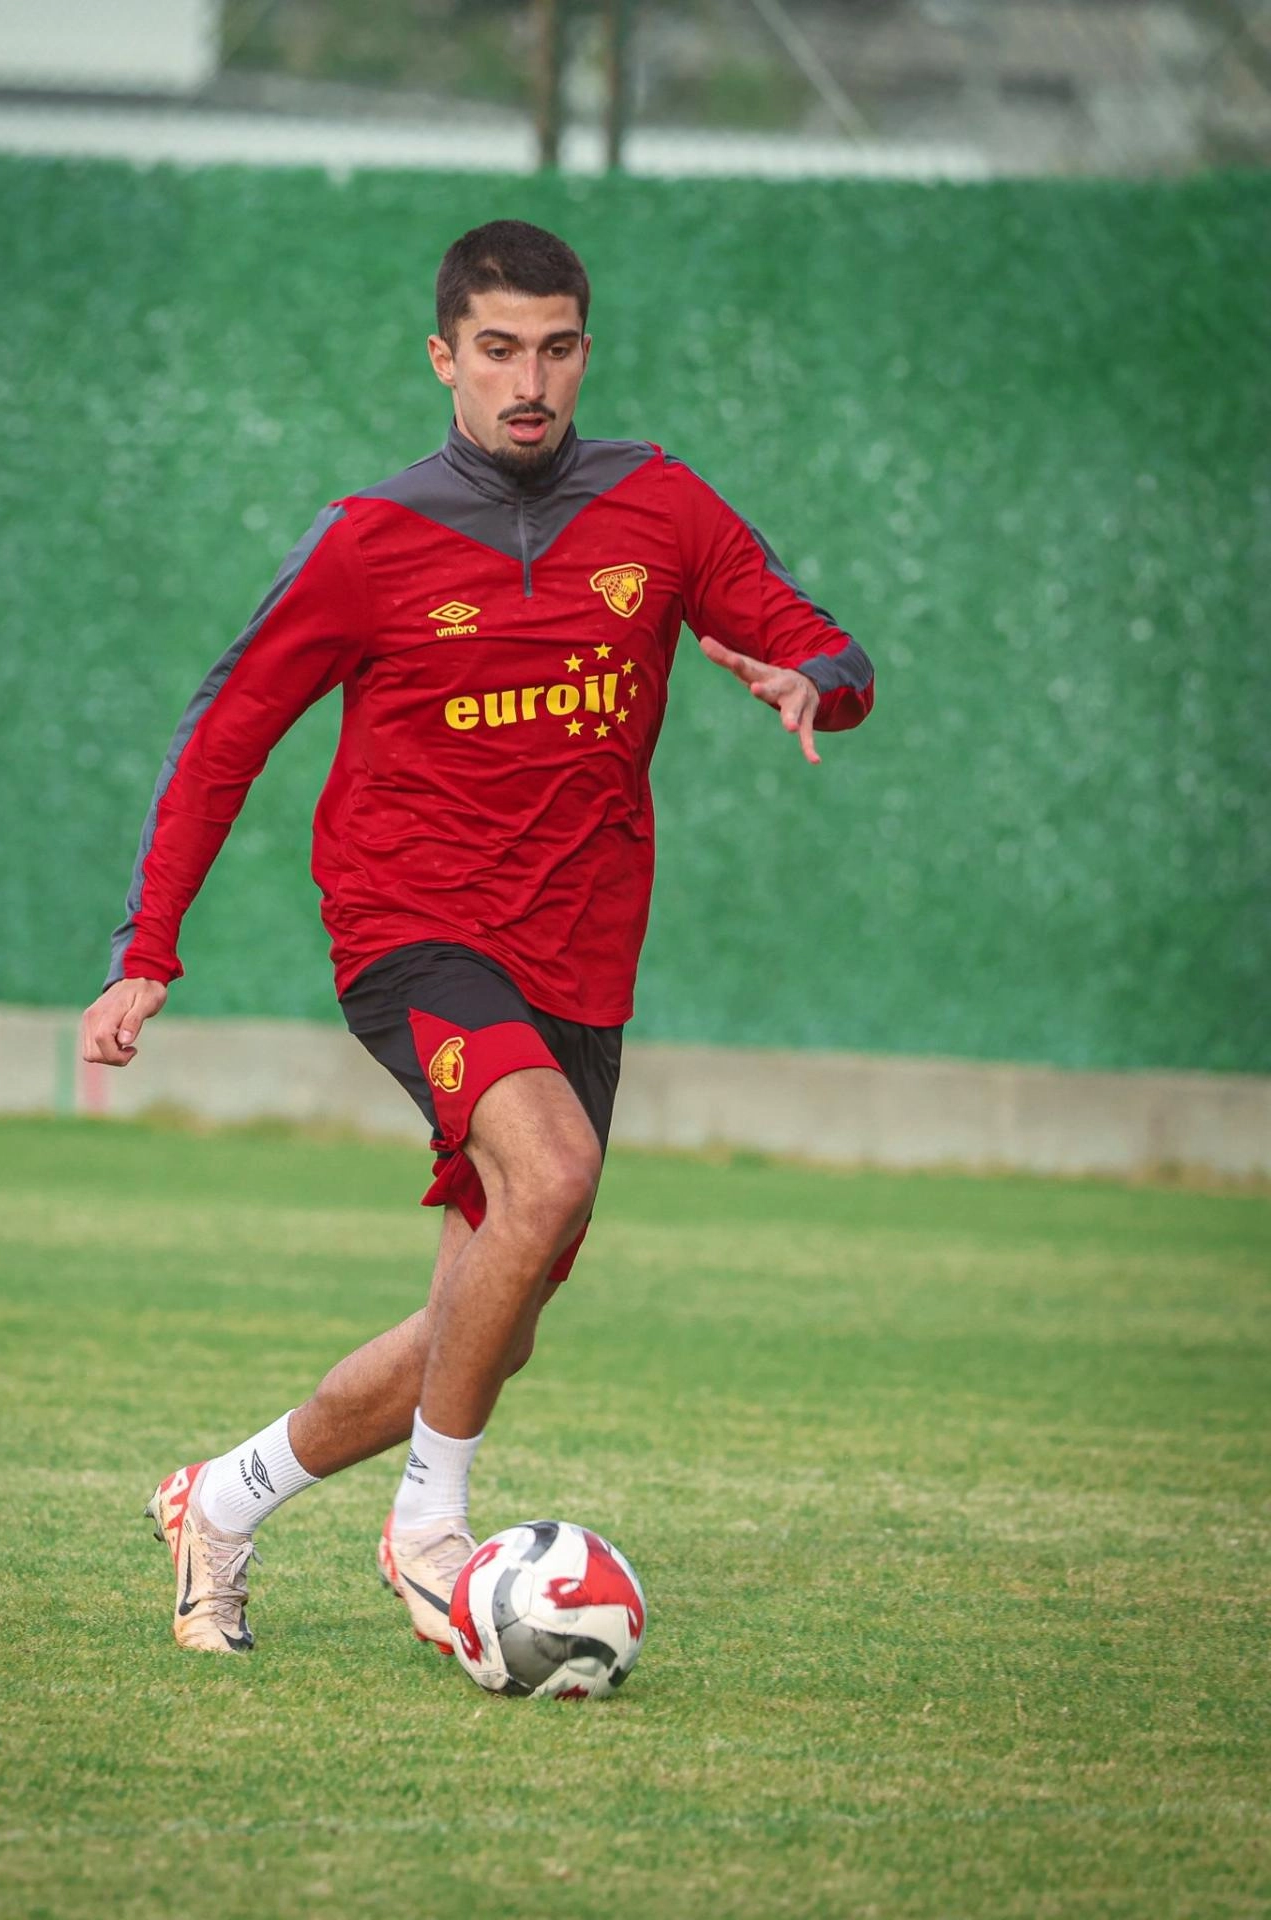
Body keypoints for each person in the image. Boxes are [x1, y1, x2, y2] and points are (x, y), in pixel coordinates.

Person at [81, 219, 875, 1658]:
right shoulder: (369, 540)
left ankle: (224, 1499)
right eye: (498, 350)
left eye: (556, 349)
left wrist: (820, 678)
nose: (530, 380)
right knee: (552, 1171)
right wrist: (149, 948)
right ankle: (429, 1529)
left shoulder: (659, 506)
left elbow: (816, 635)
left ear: (586, 354)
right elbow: (224, 736)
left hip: (581, 958)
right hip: (414, 931)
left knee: (484, 1332)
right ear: (444, 358)